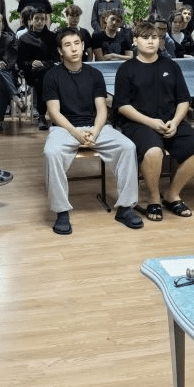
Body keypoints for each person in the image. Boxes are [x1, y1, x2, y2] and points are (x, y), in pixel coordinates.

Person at [42, 27, 143, 235]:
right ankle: (61, 211)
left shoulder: (95, 74)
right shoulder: (52, 76)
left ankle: (125, 208)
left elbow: (102, 110)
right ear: (60, 51)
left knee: (127, 147)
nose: (73, 49)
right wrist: (76, 134)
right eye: (67, 45)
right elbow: (54, 113)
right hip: (65, 128)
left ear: (82, 46)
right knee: (51, 153)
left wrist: (95, 132)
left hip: (95, 127)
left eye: (76, 43)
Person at [114, 20, 194, 221]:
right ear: (135, 41)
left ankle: (172, 195)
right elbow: (122, 106)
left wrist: (175, 121)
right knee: (154, 152)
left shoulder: (171, 66)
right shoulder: (126, 69)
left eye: (154, 37)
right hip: (139, 124)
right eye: (145, 38)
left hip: (170, 122)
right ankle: (154, 198)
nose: (151, 41)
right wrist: (151, 122)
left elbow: (183, 100)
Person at [17, 8, 58, 130]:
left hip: (49, 69)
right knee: (41, 76)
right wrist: (31, 63)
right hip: (31, 73)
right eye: (37, 19)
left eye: (42, 19)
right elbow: (20, 62)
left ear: (46, 20)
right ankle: (41, 116)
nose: (40, 21)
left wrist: (43, 63)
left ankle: (57, 114)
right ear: (31, 20)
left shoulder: (52, 37)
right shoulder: (24, 38)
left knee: (47, 75)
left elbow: (56, 58)